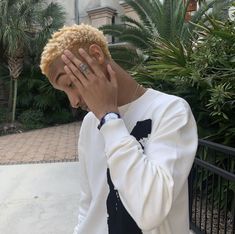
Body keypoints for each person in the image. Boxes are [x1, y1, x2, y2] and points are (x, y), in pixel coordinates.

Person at [40, 24, 198, 234]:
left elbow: (151, 210)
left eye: (70, 84)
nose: (73, 102)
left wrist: (109, 117)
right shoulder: (89, 123)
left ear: (96, 55)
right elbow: (89, 202)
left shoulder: (171, 111)